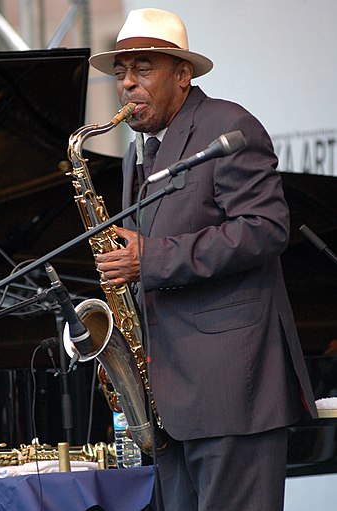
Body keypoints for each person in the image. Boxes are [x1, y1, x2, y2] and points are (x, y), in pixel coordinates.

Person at [91, 8, 318, 511]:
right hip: (170, 403)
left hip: (231, 394)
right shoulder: (138, 151)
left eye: (143, 68)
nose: (127, 84)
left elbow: (265, 228)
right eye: (121, 72)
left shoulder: (229, 125)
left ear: (182, 73)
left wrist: (149, 258)